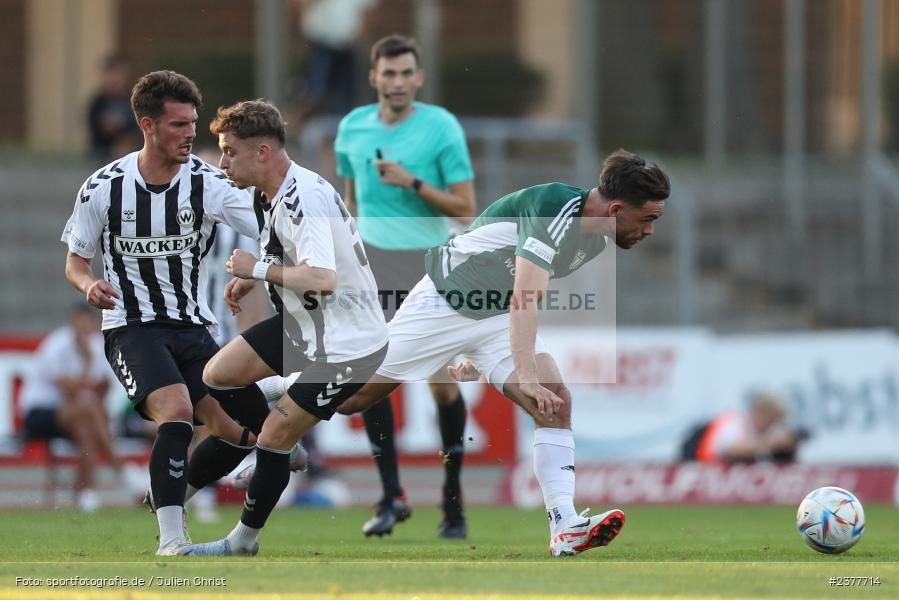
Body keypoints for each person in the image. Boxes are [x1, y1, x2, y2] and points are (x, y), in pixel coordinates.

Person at [334, 149, 670, 556]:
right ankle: (273, 392)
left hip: (493, 316)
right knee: (352, 398)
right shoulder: (553, 208)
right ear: (616, 209)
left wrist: (481, 353)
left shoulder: (594, 242)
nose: (650, 230)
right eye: (648, 218)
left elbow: (516, 290)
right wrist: (523, 373)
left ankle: (565, 525)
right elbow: (525, 296)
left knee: (554, 400)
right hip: (445, 301)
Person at [61, 70, 275, 556]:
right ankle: (172, 539)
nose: (191, 133)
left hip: (192, 325)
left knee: (235, 434)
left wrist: (264, 269)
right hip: (131, 326)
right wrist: (89, 283)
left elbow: (268, 228)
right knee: (176, 413)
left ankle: (173, 489)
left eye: (193, 123)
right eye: (179, 124)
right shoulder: (104, 187)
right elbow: (76, 261)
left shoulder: (209, 182)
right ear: (148, 125)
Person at [182, 99, 388, 556]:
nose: (223, 163)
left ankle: (242, 541)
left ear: (262, 152)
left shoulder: (304, 199)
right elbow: (286, 253)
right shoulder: (267, 193)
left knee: (273, 434)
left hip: (346, 341)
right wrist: (253, 276)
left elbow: (323, 278)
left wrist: (256, 270)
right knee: (217, 375)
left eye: (230, 152)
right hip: (304, 326)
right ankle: (285, 442)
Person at [334, 34, 476, 538]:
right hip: (373, 266)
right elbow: (351, 203)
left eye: (405, 73)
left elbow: (466, 208)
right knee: (373, 376)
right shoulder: (352, 128)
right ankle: (391, 495)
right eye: (388, 73)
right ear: (374, 77)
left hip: (427, 265)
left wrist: (411, 182)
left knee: (441, 384)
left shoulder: (441, 127)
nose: (397, 82)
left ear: (419, 78)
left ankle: (453, 502)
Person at [19, 304, 123, 512]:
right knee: (90, 410)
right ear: (72, 323)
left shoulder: (97, 345)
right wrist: (87, 363)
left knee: (87, 429)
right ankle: (120, 468)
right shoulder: (56, 346)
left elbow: (104, 386)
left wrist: (96, 391)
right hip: (40, 412)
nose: (83, 329)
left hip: (75, 415)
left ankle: (84, 493)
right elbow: (70, 392)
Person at [297, 0, 377, 119]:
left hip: (347, 44)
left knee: (344, 94)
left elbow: (367, 11)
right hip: (321, 39)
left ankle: (339, 119)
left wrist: (361, 33)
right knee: (316, 91)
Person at [687, 391, 805, 464]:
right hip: (704, 468)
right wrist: (769, 444)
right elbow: (731, 450)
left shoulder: (763, 430)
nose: (772, 426)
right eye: (771, 420)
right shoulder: (735, 422)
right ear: (761, 414)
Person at [86, 54, 141, 163]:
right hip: (100, 159)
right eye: (111, 74)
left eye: (118, 75)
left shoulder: (132, 101)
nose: (114, 79)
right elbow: (99, 130)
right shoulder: (98, 103)